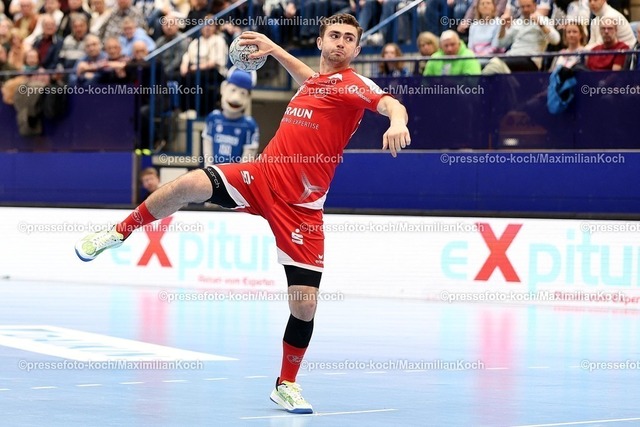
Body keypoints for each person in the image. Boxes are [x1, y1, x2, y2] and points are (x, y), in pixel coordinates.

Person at [74, 12, 410, 414]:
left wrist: (396, 122)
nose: (340, 42)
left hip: (301, 209)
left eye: (348, 38)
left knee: (304, 305)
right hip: (260, 176)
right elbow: (308, 77)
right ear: (320, 42)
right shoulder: (315, 83)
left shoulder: (354, 85)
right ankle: (119, 231)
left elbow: (390, 103)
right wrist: (274, 48)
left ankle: (286, 384)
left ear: (356, 48)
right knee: (187, 184)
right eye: (334, 35)